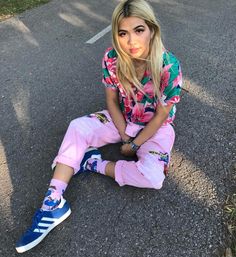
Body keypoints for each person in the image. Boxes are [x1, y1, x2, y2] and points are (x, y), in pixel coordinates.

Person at [15, 0, 182, 253]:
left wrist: (134, 144)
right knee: (78, 127)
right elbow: (111, 101)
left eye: (139, 30)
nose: (131, 41)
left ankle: (92, 163)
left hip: (155, 128)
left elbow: (161, 116)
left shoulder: (169, 65)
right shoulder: (112, 58)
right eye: (122, 33)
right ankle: (52, 203)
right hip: (122, 119)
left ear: (152, 30)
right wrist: (125, 134)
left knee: (153, 177)